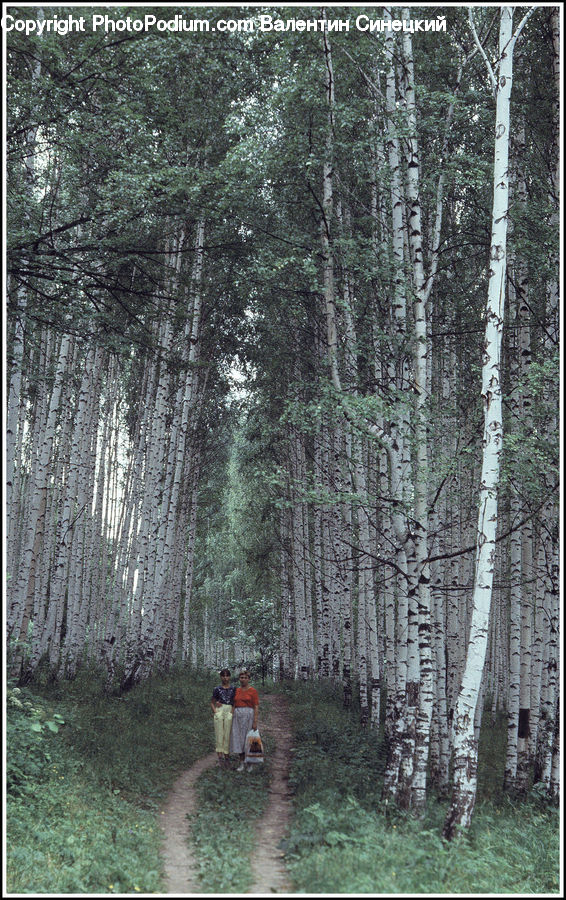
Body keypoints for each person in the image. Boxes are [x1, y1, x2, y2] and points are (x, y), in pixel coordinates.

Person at [229, 669, 259, 772]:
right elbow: (233, 704)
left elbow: (256, 706)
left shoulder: (253, 691)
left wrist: (255, 721)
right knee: (239, 740)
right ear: (239, 679)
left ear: (249, 679)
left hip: (248, 716)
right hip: (237, 717)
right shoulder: (236, 690)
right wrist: (231, 716)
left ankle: (250, 764)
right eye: (241, 677)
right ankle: (241, 763)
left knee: (249, 739)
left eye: (245, 678)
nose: (243, 679)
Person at [211, 668, 235, 768]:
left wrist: (231, 713)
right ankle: (220, 758)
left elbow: (235, 703)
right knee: (219, 734)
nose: (225, 678)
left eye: (227, 675)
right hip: (220, 711)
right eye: (223, 676)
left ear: (229, 677)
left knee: (227, 735)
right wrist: (215, 711)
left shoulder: (234, 689)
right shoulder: (217, 689)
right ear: (220, 677)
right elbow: (212, 702)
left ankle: (227, 758)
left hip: (229, 710)